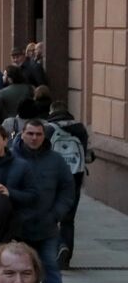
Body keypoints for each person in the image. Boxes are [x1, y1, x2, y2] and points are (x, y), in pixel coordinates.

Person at [11, 119, 74, 283]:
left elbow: (67, 189)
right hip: (17, 229)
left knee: (51, 273)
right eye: (30, 133)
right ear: (22, 134)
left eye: (38, 134)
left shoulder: (56, 160)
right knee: (18, 272)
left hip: (46, 228)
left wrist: (57, 213)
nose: (34, 138)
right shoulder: (10, 158)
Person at [45, 101, 92, 269]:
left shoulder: (48, 129)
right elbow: (88, 155)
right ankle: (66, 257)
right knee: (68, 219)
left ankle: (60, 245)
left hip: (53, 179)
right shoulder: (80, 129)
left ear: (52, 111)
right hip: (75, 179)